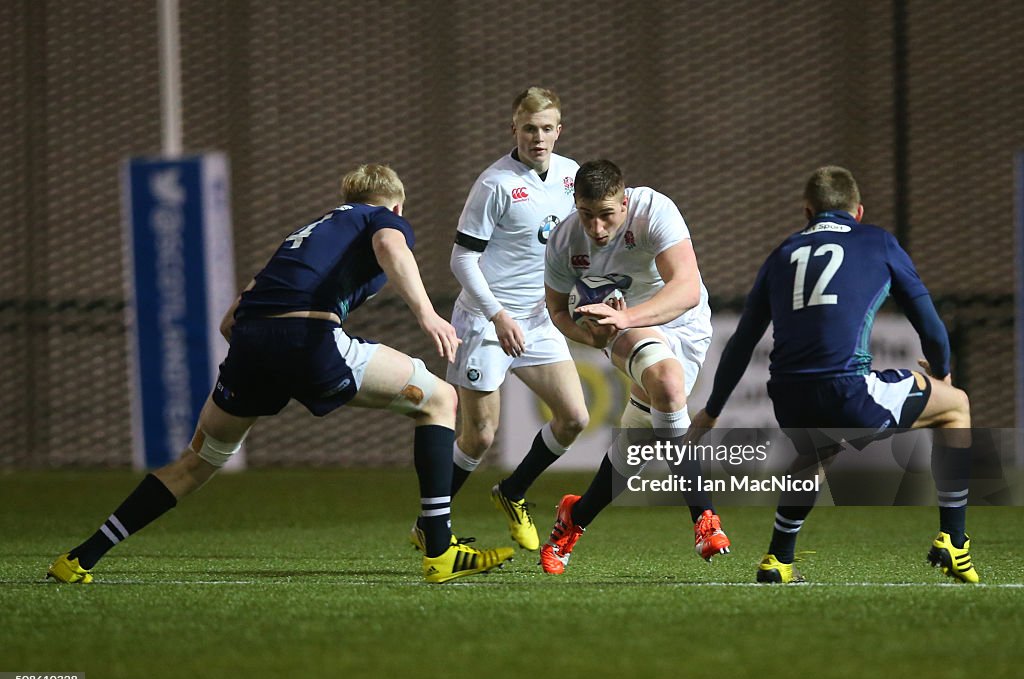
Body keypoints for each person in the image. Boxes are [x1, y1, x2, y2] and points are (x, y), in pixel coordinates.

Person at [47, 164, 514, 585]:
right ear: (396, 203)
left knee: (197, 462)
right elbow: (391, 245)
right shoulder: (381, 218)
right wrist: (427, 314)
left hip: (251, 344)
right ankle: (439, 550)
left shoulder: (304, 235)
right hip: (305, 339)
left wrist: (266, 366)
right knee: (438, 400)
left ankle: (81, 557)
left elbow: (228, 321)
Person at [690, 165, 979, 584]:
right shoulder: (877, 240)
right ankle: (954, 539)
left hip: (788, 397)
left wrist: (712, 411)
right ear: (857, 211)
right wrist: (944, 374)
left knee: (816, 446)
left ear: (808, 211)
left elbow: (740, 343)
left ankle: (778, 560)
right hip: (847, 391)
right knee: (957, 408)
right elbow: (930, 326)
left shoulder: (782, 253)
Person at [417, 86, 588, 553]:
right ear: (513, 129)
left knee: (574, 418)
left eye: (547, 128)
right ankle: (427, 525)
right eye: (529, 128)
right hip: (485, 322)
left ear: (559, 130)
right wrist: (497, 315)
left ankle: (513, 492)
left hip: (537, 319)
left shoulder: (573, 176)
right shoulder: (494, 183)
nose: (538, 137)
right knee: (479, 437)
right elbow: (461, 260)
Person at [539, 159, 731, 575]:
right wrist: (591, 337)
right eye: (587, 215)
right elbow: (556, 309)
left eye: (607, 215)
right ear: (576, 206)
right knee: (665, 381)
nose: (597, 228)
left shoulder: (654, 210)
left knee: (639, 443)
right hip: (621, 329)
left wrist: (630, 316)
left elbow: (687, 288)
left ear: (624, 202)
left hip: (684, 326)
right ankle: (704, 518)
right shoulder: (564, 240)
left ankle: (575, 518)